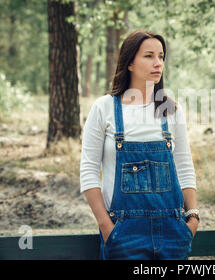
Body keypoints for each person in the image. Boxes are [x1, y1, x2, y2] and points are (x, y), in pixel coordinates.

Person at [80, 30, 199, 260]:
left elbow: (184, 166)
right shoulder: (104, 107)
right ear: (130, 63)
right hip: (123, 234)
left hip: (173, 233)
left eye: (161, 56)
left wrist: (192, 219)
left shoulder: (171, 109)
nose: (158, 63)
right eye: (149, 56)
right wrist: (107, 228)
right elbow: (88, 172)